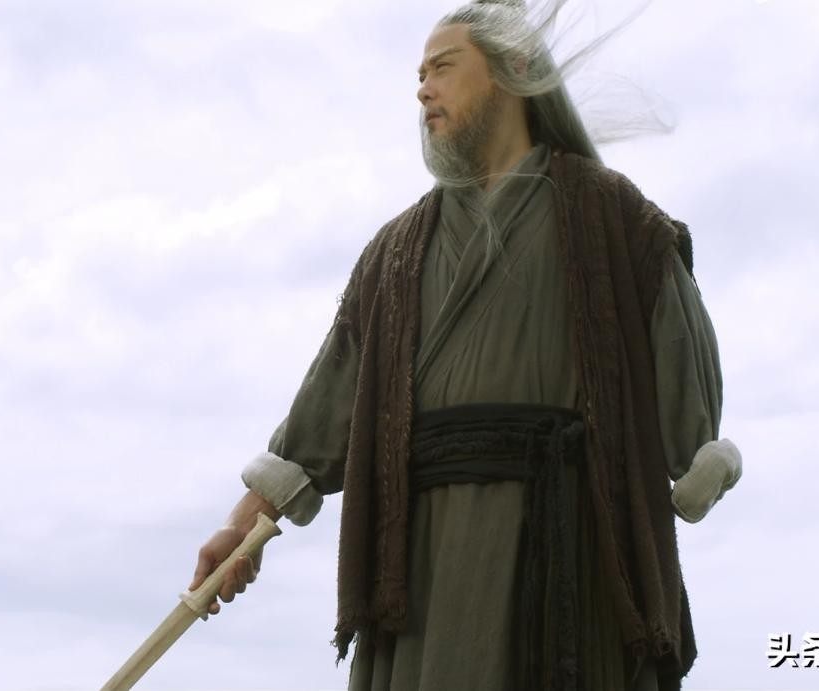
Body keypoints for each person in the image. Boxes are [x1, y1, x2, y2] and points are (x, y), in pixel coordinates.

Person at [189, 1, 742, 689]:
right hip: (419, 566)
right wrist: (243, 525)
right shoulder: (395, 253)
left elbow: (684, 372)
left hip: (566, 551)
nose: (423, 90)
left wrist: (695, 453)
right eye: (419, 76)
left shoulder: (614, 220)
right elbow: (324, 410)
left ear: (512, 71)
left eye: (442, 68)